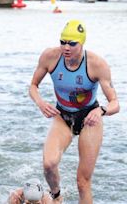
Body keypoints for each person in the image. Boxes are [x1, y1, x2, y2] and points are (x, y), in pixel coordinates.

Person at [29, 20, 119, 203]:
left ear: (82, 43)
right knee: (49, 164)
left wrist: (101, 111)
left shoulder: (97, 64)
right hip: (62, 116)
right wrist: (40, 102)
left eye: (72, 43)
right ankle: (56, 195)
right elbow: (33, 86)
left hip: (90, 119)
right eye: (63, 42)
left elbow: (115, 103)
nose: (66, 47)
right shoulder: (50, 57)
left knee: (82, 182)